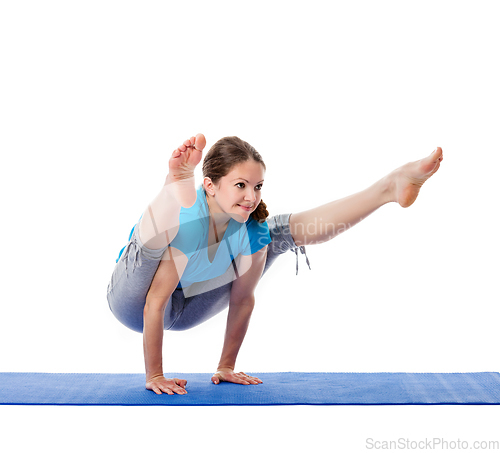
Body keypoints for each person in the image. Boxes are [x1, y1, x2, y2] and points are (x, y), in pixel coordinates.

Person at [106, 133, 444, 395]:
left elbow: (242, 300)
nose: (252, 197)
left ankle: (388, 188)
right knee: (153, 241)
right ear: (209, 185)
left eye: (257, 186)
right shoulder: (188, 220)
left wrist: (226, 366)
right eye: (240, 185)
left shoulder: (252, 228)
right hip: (134, 300)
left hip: (182, 310)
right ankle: (173, 185)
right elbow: (154, 302)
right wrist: (155, 375)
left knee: (275, 231)